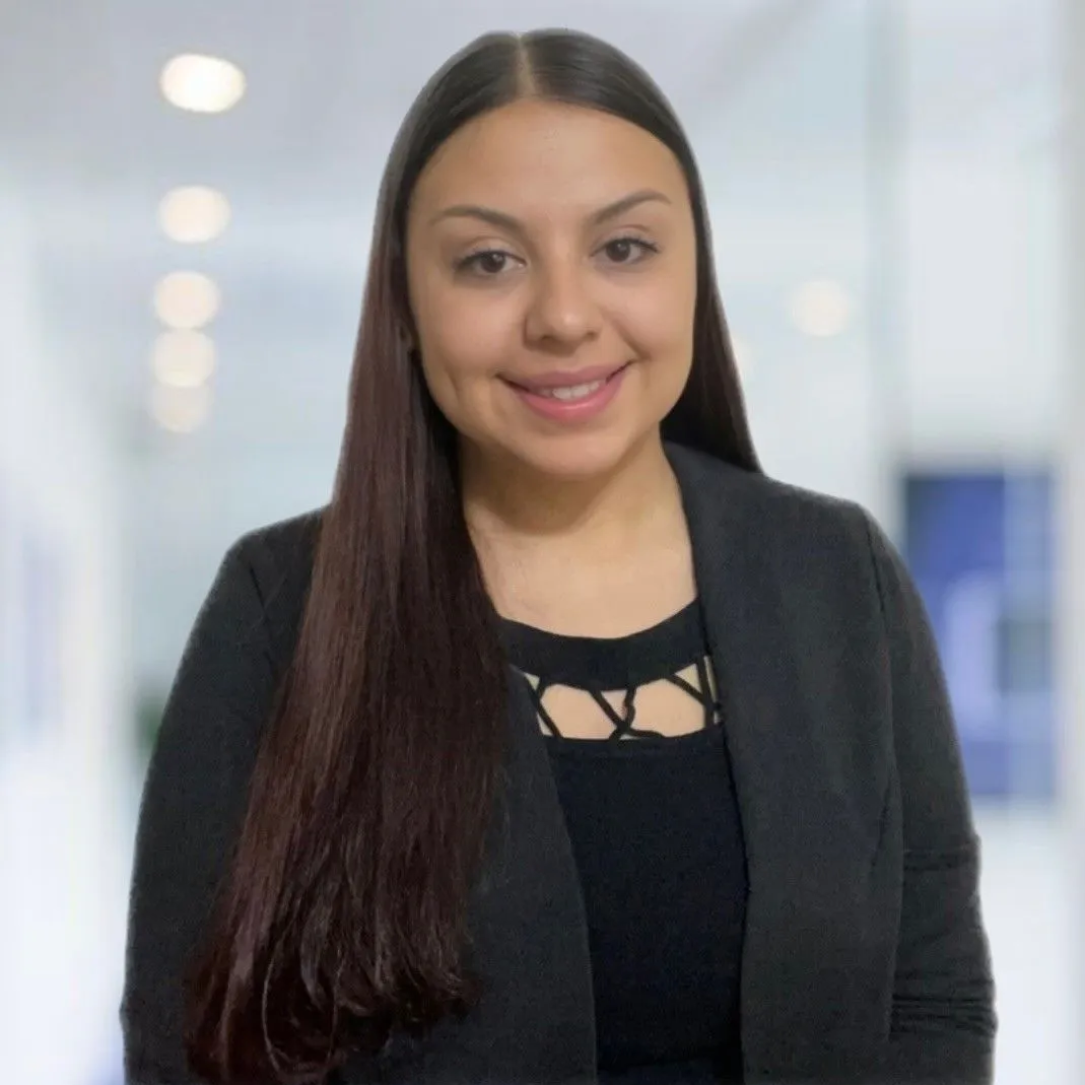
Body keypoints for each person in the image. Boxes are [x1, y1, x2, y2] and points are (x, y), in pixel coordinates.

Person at [120, 27, 997, 1085]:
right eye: (488, 260)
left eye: (622, 247)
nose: (565, 317)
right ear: (404, 303)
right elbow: (191, 1049)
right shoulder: (285, 611)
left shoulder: (837, 577)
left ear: (693, 270)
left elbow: (930, 995)